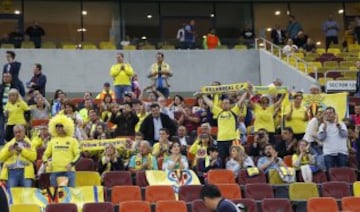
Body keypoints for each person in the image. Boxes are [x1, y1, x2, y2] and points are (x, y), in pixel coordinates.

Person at [202, 92, 247, 164]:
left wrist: (246, 92)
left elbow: (240, 101)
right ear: (221, 105)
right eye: (223, 103)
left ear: (229, 105)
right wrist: (203, 95)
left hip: (233, 139)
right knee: (221, 159)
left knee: (236, 158)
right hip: (221, 140)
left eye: (227, 103)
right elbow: (210, 103)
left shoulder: (234, 111)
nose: (225, 104)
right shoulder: (218, 112)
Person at [42, 114, 80, 187]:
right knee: (56, 195)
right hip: (55, 171)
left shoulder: (73, 140)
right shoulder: (52, 141)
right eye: (56, 126)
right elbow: (45, 154)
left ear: (66, 127)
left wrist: (71, 164)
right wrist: (45, 161)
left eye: (60, 126)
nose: (58, 128)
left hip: (69, 171)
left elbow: (78, 155)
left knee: (70, 193)